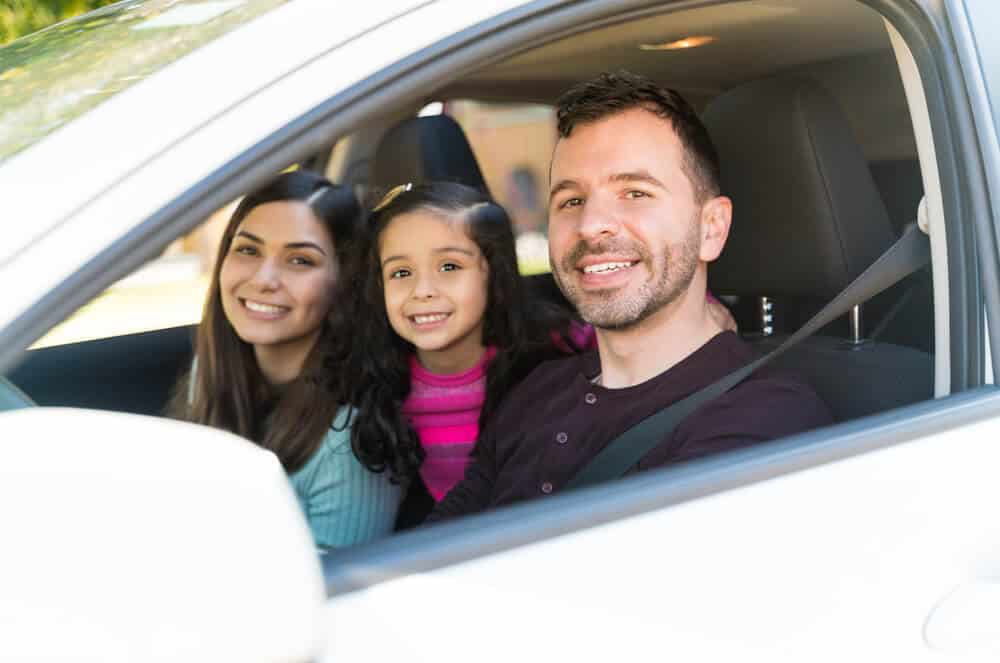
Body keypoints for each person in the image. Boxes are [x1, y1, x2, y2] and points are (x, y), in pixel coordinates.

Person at [429, 71, 832, 519]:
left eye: (635, 192)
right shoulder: (537, 390)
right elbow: (438, 542)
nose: (590, 224)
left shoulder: (762, 419)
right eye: (571, 200)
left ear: (711, 228)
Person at [170, 170, 401, 548]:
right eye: (248, 250)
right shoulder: (209, 374)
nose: (264, 278)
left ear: (345, 282)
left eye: (299, 261)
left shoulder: (349, 442)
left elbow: (336, 591)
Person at [344, 182, 593, 517]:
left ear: (492, 272)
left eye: (449, 266)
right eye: (401, 272)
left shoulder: (561, 350)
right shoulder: (378, 385)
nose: (423, 290)